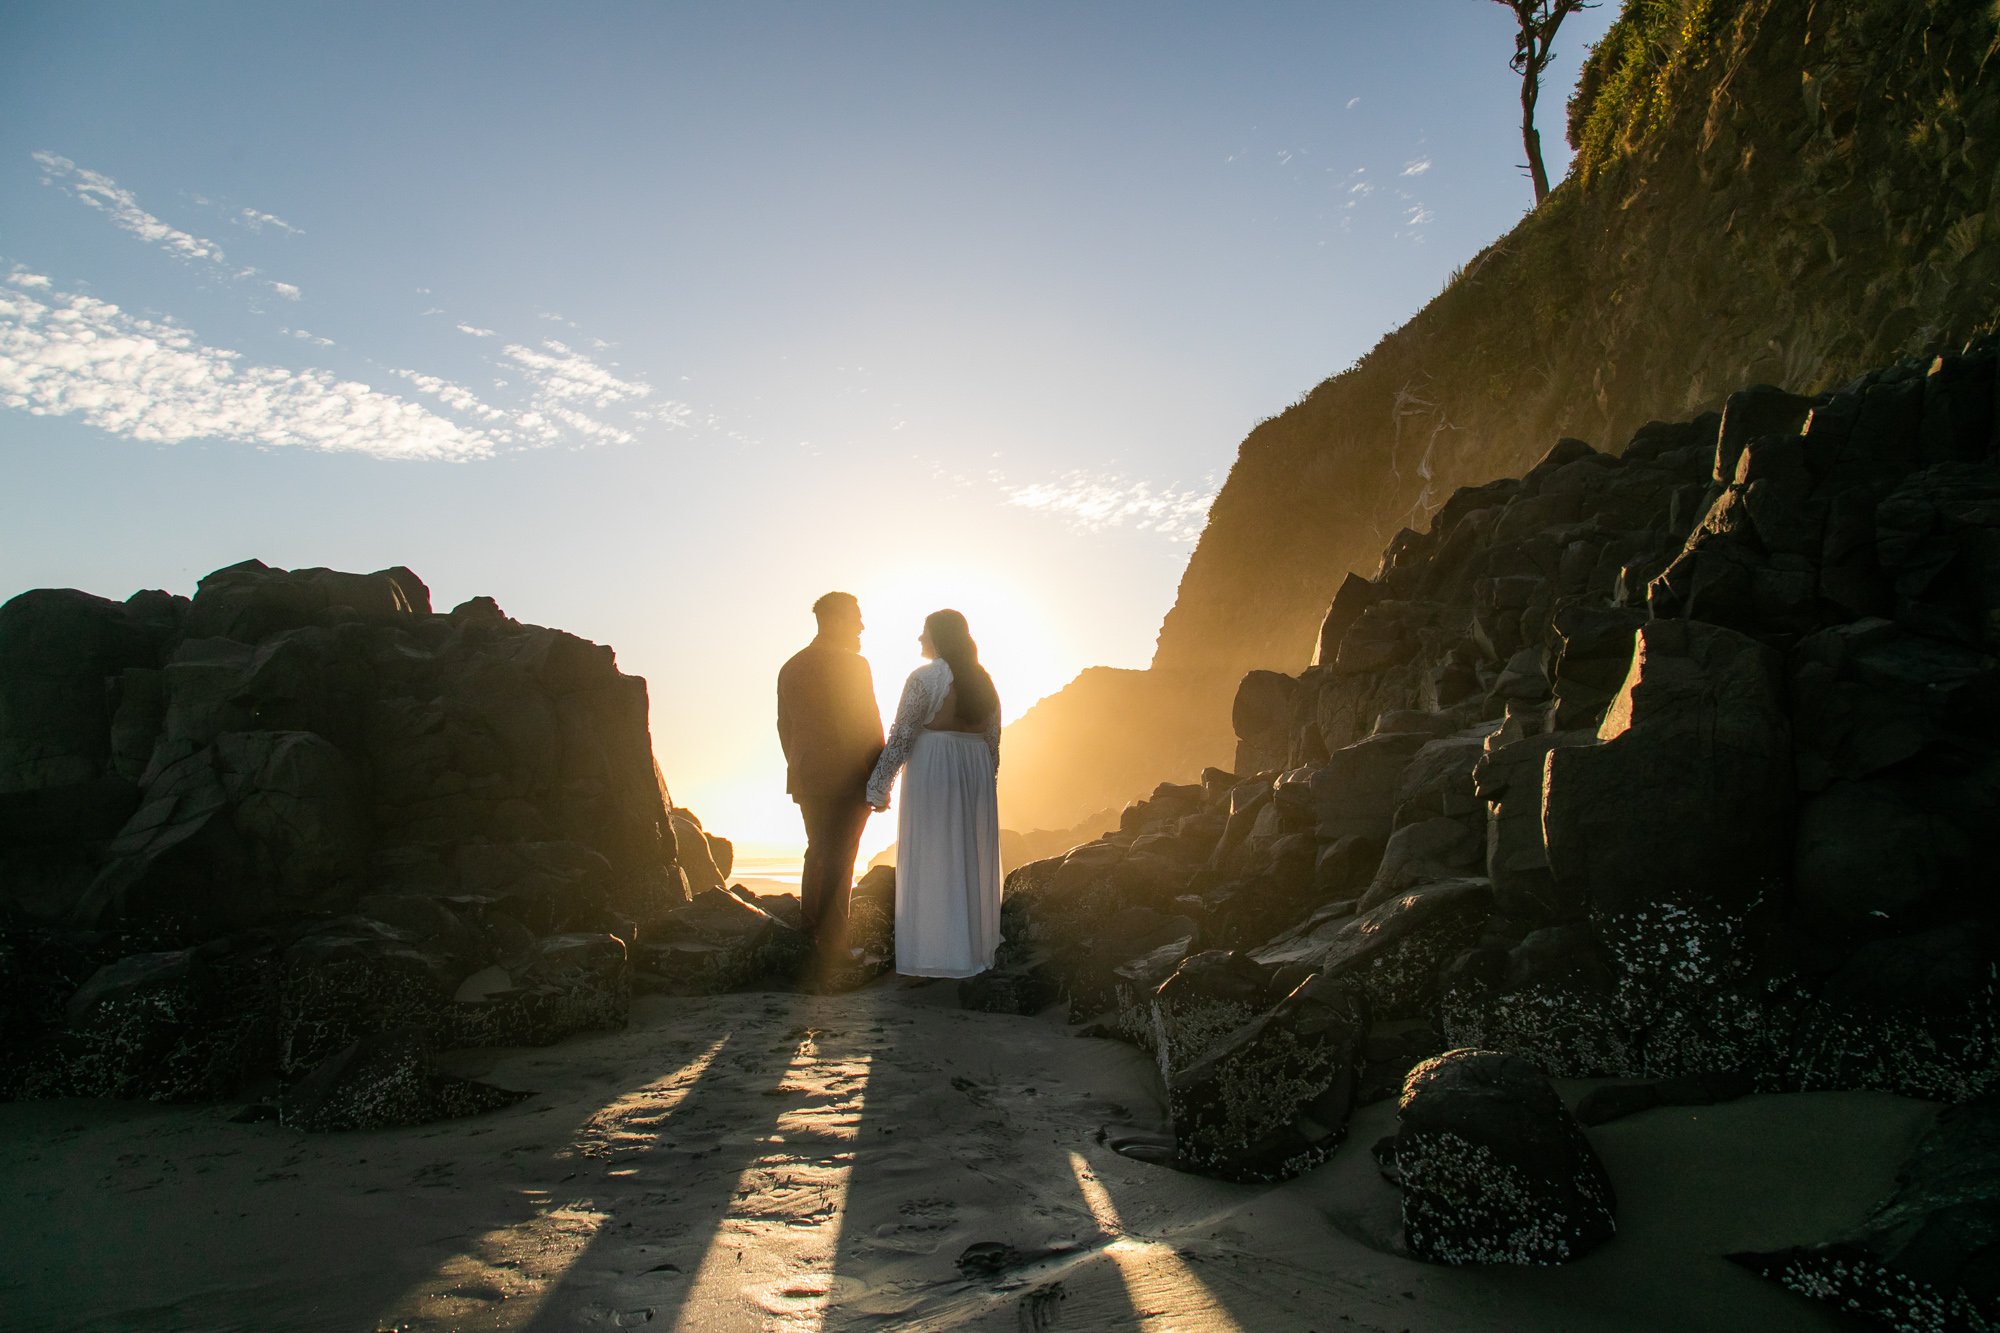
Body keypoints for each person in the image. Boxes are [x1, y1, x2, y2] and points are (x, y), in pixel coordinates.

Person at [865, 609, 1002, 978]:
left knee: (932, 852)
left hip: (936, 764)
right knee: (966, 854)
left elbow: (903, 734)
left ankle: (936, 953)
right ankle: (966, 950)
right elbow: (993, 740)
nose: (920, 639)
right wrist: (986, 780)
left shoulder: (925, 678)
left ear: (939, 636)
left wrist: (878, 785)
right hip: (974, 766)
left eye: (924, 632)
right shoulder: (983, 680)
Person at [777, 592, 883, 954]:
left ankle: (812, 936)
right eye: (856, 617)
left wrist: (800, 764)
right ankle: (833, 946)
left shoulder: (791, 666)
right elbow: (866, 724)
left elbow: (784, 727)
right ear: (836, 620)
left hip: (807, 774)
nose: (861, 625)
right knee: (841, 855)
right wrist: (879, 777)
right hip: (850, 774)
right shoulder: (854, 665)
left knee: (819, 850)